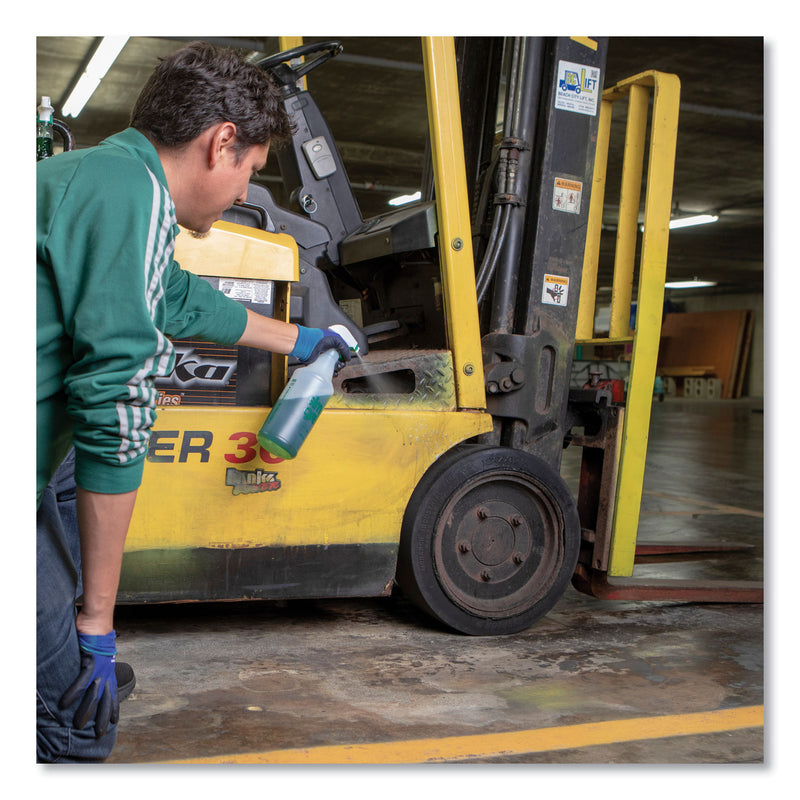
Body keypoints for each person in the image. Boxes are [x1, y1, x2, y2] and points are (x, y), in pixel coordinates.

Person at [36, 41, 351, 762]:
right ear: (221, 143)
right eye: (251, 170)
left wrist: (300, 339)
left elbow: (172, 295)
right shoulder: (129, 194)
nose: (243, 191)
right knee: (76, 724)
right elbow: (116, 406)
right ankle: (58, 697)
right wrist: (98, 623)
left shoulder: (103, 176)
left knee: (63, 478)